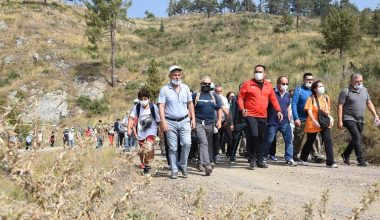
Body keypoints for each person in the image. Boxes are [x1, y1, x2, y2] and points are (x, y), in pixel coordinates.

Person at [238, 64, 283, 169]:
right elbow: (240, 97)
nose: (258, 73)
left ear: (264, 73)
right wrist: (242, 109)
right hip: (250, 114)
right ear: (254, 73)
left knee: (262, 138)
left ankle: (260, 159)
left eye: (260, 72)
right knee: (254, 135)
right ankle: (252, 158)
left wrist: (278, 110)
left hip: (263, 115)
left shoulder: (268, 85)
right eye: (256, 71)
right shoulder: (247, 84)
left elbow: (273, 99)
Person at [158, 65, 195, 179]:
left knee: (187, 143)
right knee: (173, 147)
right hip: (170, 122)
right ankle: (174, 169)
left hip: (184, 120)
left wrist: (193, 118)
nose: (177, 77)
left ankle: (183, 164)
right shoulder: (164, 89)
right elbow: (161, 106)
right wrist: (163, 122)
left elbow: (190, 104)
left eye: (179, 75)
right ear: (170, 75)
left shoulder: (186, 88)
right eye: (175, 75)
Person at [338, 73, 379, 166]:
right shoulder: (345, 91)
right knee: (357, 137)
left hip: (360, 119)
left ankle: (345, 154)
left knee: (356, 138)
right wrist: (340, 120)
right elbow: (340, 106)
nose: (359, 83)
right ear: (351, 81)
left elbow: (369, 102)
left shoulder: (364, 90)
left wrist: (375, 115)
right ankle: (360, 160)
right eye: (357, 81)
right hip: (348, 118)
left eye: (361, 81)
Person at [299, 80, 337, 168]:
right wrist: (314, 121)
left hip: (324, 122)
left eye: (322, 86)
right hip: (313, 123)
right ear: (315, 89)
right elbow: (309, 111)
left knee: (328, 140)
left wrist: (330, 117)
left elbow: (327, 110)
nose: (321, 88)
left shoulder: (326, 98)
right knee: (310, 141)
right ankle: (303, 158)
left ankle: (330, 162)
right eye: (319, 86)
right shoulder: (311, 98)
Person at [193, 76, 223, 176]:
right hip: (198, 123)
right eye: (205, 83)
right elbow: (190, 108)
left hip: (210, 124)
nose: (207, 86)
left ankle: (199, 162)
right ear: (201, 84)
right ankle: (207, 165)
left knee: (206, 144)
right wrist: (191, 121)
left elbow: (219, 109)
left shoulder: (214, 96)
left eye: (209, 84)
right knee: (203, 142)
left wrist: (219, 120)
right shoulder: (195, 96)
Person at [264, 76, 297, 166]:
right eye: (283, 84)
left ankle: (289, 158)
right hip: (272, 121)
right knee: (269, 140)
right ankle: (263, 157)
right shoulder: (271, 93)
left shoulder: (287, 95)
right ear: (278, 84)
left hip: (285, 122)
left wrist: (290, 118)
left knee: (289, 139)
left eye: (286, 84)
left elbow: (288, 107)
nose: (285, 85)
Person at [292, 73, 324, 163]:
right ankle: (295, 154)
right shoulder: (298, 90)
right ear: (303, 80)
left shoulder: (314, 91)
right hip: (301, 118)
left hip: (312, 119)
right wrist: (296, 118)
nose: (310, 81)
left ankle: (316, 155)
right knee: (299, 137)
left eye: (311, 79)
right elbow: (294, 104)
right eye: (308, 79)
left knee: (315, 138)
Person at [128, 88, 161, 174]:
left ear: (148, 99)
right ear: (139, 100)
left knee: (148, 146)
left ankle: (148, 165)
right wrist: (129, 129)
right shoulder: (137, 107)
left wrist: (161, 132)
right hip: (141, 132)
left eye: (145, 99)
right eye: (141, 99)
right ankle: (146, 164)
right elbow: (131, 118)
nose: (143, 101)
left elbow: (158, 120)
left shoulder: (153, 107)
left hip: (151, 131)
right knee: (142, 151)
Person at [213, 84, 230, 162]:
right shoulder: (212, 97)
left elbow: (226, 110)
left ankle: (218, 152)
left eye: (220, 91)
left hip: (223, 121)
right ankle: (215, 154)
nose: (218, 93)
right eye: (217, 91)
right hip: (213, 121)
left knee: (222, 137)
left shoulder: (224, 99)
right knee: (216, 137)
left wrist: (227, 120)